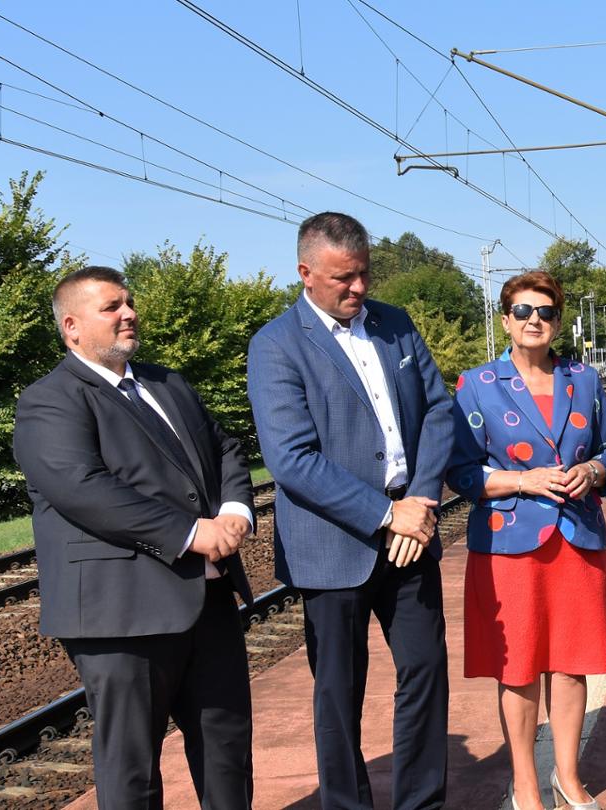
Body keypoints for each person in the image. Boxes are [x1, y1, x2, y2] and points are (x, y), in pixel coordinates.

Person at [13, 266, 256, 809]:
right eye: (111, 307)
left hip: (207, 599)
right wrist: (192, 532)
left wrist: (236, 509)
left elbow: (226, 449)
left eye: (129, 302)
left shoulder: (168, 383)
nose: (129, 313)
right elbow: (84, 489)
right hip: (121, 612)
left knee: (227, 750)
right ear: (72, 326)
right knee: (131, 769)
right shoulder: (49, 401)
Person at [247, 212, 454, 810]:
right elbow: (291, 460)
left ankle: (421, 802)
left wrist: (421, 499)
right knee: (339, 693)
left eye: (363, 274)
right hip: (333, 543)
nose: (358, 289)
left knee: (425, 671)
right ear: (305, 273)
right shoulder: (276, 344)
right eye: (343, 279)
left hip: (411, 530)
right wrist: (387, 516)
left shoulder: (395, 324)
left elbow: (438, 412)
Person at [446, 271, 606, 810]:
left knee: (571, 662)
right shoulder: (476, 384)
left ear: (558, 320)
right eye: (522, 311)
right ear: (505, 319)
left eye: (544, 311)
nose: (534, 321)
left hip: (576, 538)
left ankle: (566, 776)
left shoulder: (585, 380)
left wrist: (592, 471)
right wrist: (524, 480)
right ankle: (526, 782)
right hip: (510, 546)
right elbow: (461, 471)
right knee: (519, 666)